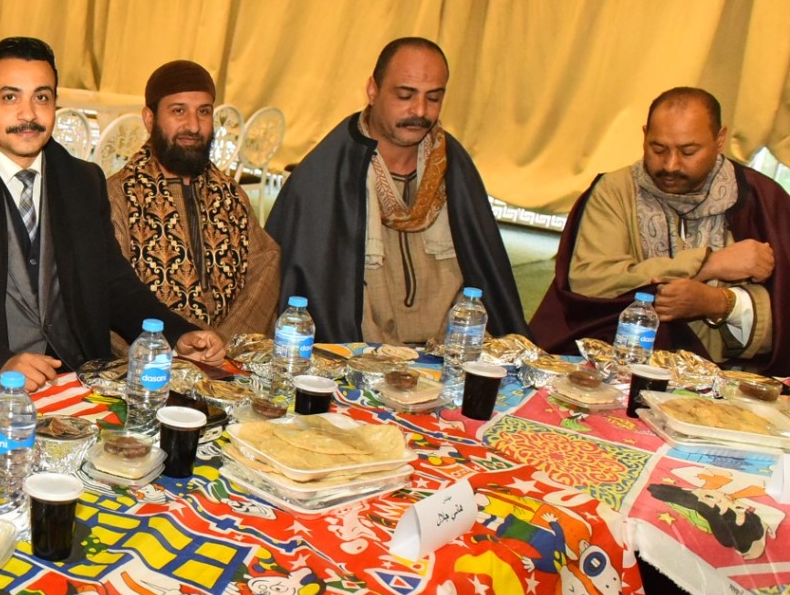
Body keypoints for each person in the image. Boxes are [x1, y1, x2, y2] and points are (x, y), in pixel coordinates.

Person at [0, 36, 226, 393]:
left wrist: (177, 334)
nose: (28, 114)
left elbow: (114, 284)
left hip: (78, 377)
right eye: (10, 97)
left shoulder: (82, 181)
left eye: (41, 97)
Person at [265, 37, 528, 344]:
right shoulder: (326, 173)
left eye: (434, 98)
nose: (420, 110)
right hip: (361, 355)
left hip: (451, 354)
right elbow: (313, 296)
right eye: (405, 95)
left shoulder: (452, 165)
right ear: (372, 90)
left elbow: (487, 276)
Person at [531, 87, 790, 372]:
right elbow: (591, 282)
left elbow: (782, 313)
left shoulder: (762, 201)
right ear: (644, 136)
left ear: (719, 140)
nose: (670, 165)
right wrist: (707, 265)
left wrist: (719, 304)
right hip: (616, 363)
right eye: (658, 149)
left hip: (724, 375)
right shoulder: (614, 191)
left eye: (688, 151)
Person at [106, 59, 281, 339]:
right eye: (178, 111)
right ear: (150, 119)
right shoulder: (117, 196)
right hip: (153, 356)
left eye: (204, 112)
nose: (194, 125)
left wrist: (224, 340)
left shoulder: (230, 194)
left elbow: (265, 265)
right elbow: (111, 294)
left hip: (229, 353)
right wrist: (175, 345)